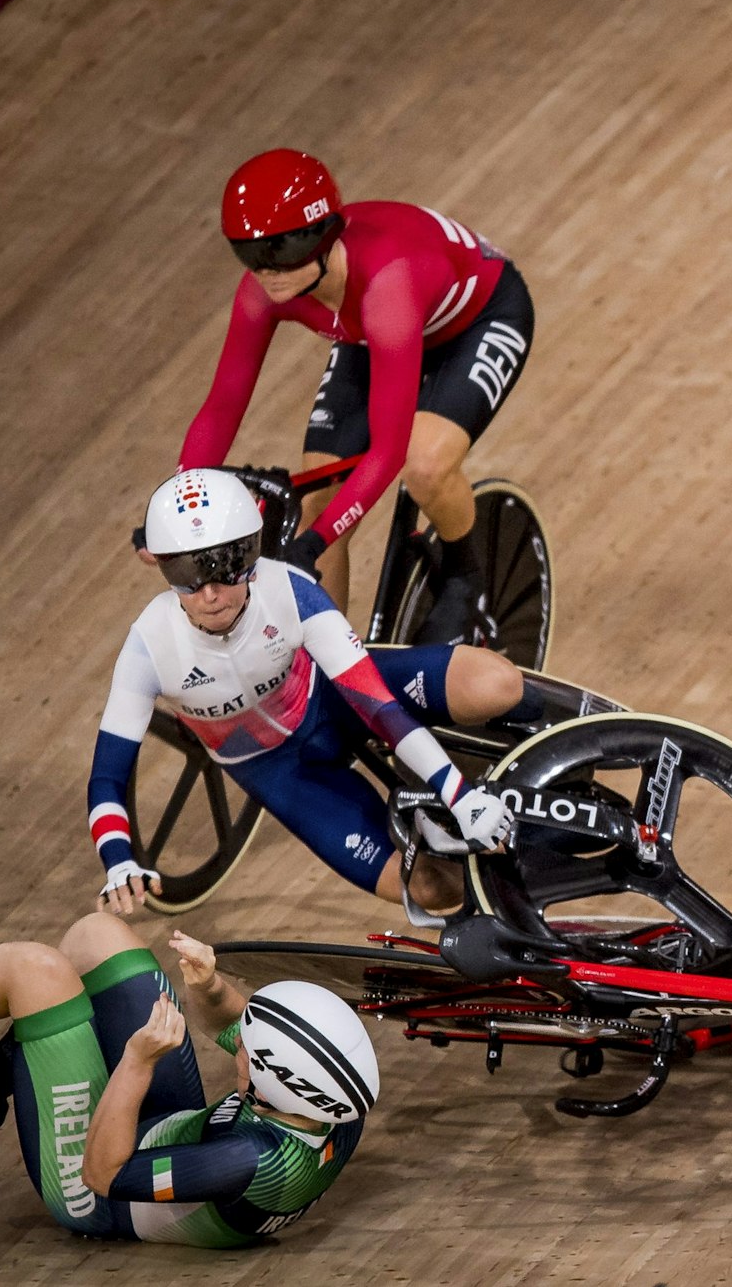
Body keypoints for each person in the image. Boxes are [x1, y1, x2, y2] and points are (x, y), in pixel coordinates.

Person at [93, 468, 525, 914]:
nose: (209, 593)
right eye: (186, 573)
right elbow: (108, 775)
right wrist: (117, 857)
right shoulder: (149, 646)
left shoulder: (289, 591)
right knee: (432, 891)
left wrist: (459, 796)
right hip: (281, 770)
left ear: (251, 557)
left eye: (223, 568)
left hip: (332, 702)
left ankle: (569, 730)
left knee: (496, 684)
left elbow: (377, 706)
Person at [180, 148, 535, 640]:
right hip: (372, 334)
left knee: (424, 465)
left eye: (280, 251)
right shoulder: (266, 289)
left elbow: (388, 454)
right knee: (314, 505)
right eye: (249, 254)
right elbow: (222, 406)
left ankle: (467, 580)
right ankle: (332, 660)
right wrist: (176, 504)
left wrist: (319, 540)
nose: (267, 272)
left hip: (476, 319)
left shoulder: (386, 285)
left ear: (323, 237)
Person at [0, 914, 375, 1246]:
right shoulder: (329, 1101)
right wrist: (210, 984)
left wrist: (137, 1060)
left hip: (99, 1194)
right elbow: (229, 1022)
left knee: (34, 970)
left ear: (273, 1085)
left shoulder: (251, 1161)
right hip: (170, 1130)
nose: (237, 1044)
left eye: (248, 1052)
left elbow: (103, 1176)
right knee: (98, 934)